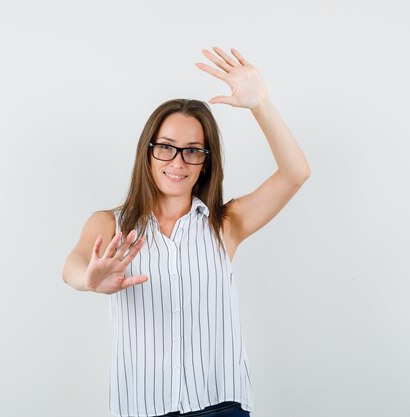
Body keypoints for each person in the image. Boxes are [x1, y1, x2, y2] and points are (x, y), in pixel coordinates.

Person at [62, 47, 310, 417]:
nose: (177, 162)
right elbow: (74, 266)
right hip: (142, 408)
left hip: (221, 405)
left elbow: (295, 174)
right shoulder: (110, 224)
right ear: (147, 152)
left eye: (193, 151)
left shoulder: (226, 224)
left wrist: (262, 105)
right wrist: (90, 279)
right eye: (165, 147)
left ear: (206, 161)